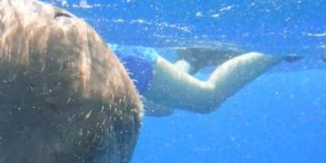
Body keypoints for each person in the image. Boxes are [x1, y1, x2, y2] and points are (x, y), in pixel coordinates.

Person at [111, 45, 291, 116]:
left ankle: (280, 49)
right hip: (97, 65)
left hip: (112, 62)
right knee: (162, 109)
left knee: (205, 100)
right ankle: (192, 58)